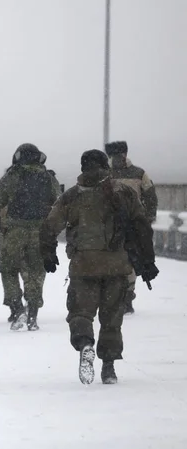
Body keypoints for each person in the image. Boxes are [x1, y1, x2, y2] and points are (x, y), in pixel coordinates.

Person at [40, 149, 158, 385]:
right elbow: (142, 226)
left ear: (83, 168)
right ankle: (109, 367)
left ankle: (85, 344)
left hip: (84, 266)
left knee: (80, 312)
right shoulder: (123, 193)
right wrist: (148, 261)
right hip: (117, 266)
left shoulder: (72, 196)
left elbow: (49, 226)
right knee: (112, 317)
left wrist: (48, 253)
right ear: (106, 167)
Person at [0, 144, 58, 331]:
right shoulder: (48, 177)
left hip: (14, 231)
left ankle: (17, 308)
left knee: (9, 269)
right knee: (36, 271)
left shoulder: (11, 176)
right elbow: (58, 202)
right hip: (40, 231)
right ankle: (33, 313)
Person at [105, 141, 158, 315]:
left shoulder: (104, 173)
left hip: (112, 225)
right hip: (133, 225)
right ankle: (127, 297)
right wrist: (147, 219)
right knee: (131, 261)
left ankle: (116, 297)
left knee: (113, 260)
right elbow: (150, 195)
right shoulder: (139, 173)